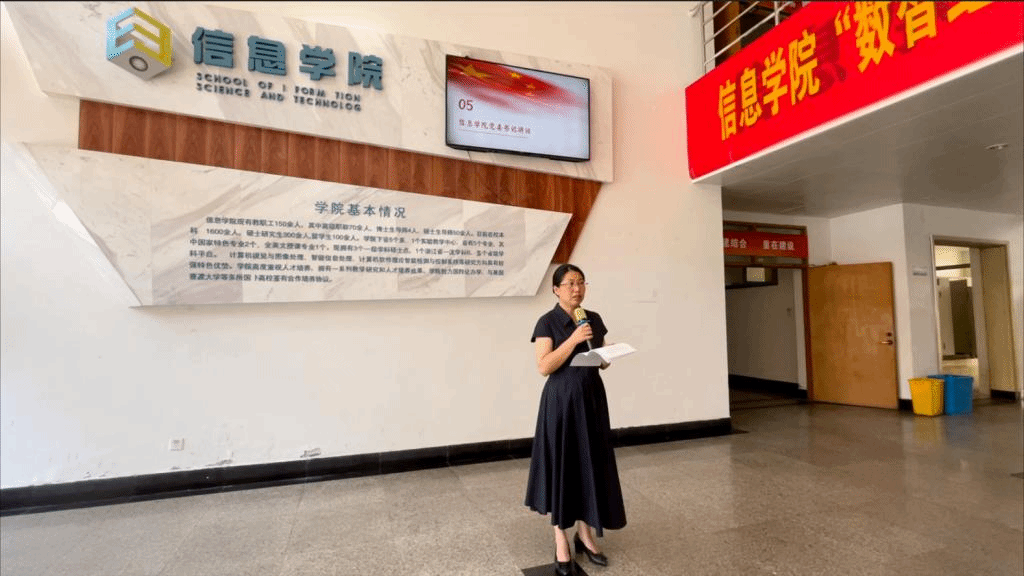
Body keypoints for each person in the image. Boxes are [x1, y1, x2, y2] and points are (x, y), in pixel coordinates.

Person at [524, 263, 627, 575]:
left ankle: (585, 534)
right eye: (569, 283)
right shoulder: (547, 321)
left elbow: (601, 362)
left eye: (581, 282)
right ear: (556, 289)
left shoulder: (592, 318)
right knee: (564, 465)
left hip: (591, 398)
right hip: (561, 401)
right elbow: (544, 366)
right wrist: (572, 340)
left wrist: (608, 354)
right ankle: (561, 540)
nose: (577, 289)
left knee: (589, 463)